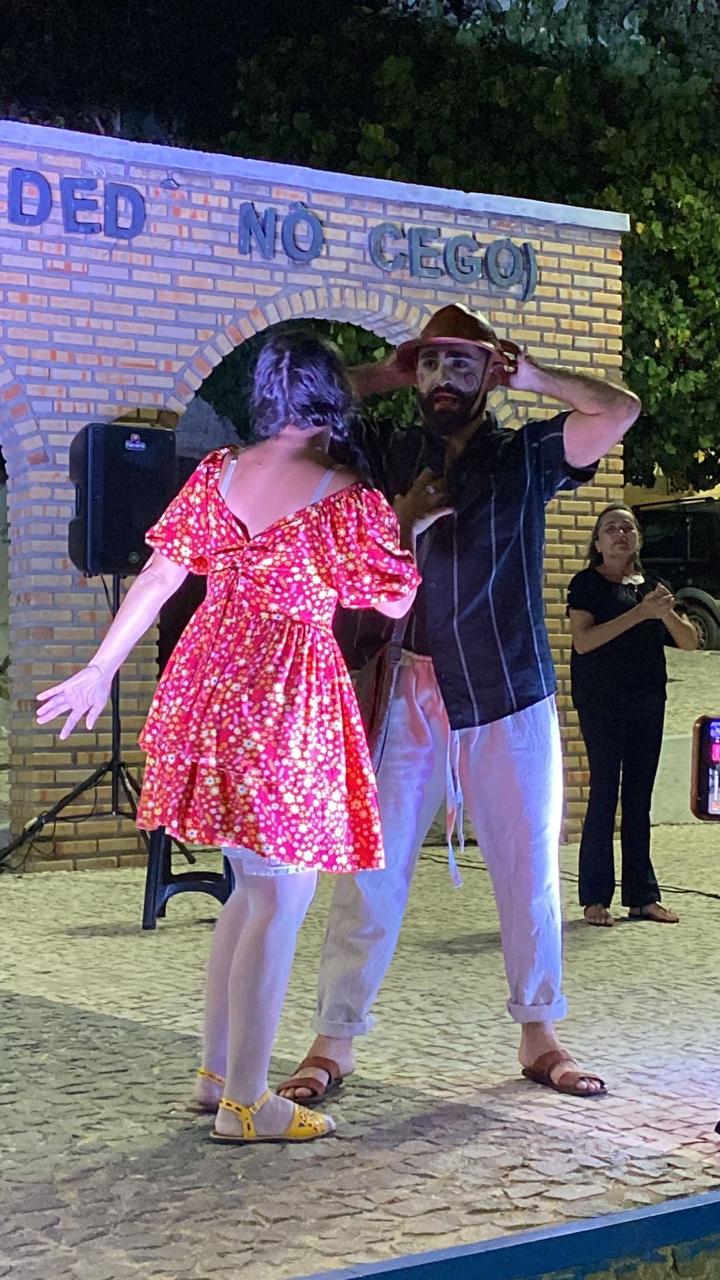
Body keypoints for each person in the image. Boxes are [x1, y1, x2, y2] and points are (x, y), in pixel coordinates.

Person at [36, 330, 429, 1146]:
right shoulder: (346, 496)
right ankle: (248, 1102)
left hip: (210, 678)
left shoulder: (219, 472)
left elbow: (161, 574)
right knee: (280, 896)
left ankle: (217, 1073)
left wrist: (101, 668)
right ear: (332, 397)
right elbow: (391, 599)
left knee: (252, 890)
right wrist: (410, 520)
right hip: (283, 691)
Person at [277, 303, 641, 1106]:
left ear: (490, 374)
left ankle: (540, 1033)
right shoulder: (387, 448)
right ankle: (333, 1040)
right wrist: (385, 372)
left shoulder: (526, 455)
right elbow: (293, 412)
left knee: (528, 867)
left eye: (462, 363)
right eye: (432, 363)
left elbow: (619, 411)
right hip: (403, 683)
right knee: (370, 870)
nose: (444, 377)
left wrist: (532, 373)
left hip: (508, 686)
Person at [567, 501, 697, 928]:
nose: (620, 534)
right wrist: (639, 613)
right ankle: (595, 897)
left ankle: (643, 896)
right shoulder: (586, 584)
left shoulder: (654, 586)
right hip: (601, 700)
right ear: (598, 542)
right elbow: (584, 641)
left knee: (640, 796)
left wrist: (665, 612)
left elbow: (689, 642)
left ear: (637, 538)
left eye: (627, 528)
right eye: (610, 529)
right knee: (605, 791)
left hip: (647, 699)